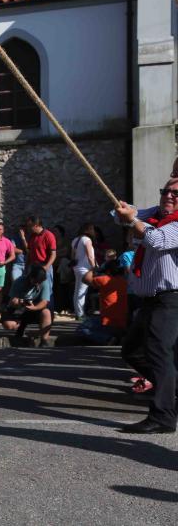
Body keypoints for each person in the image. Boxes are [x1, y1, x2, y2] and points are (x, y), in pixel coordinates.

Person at [116, 175, 178, 434]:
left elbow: (157, 240)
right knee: (132, 350)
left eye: (176, 194)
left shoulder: (174, 224)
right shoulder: (154, 213)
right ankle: (170, 391)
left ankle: (163, 416)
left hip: (170, 298)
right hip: (151, 299)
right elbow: (120, 213)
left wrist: (131, 219)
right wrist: (123, 211)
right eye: (166, 191)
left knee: (158, 353)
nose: (169, 196)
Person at [0, 265, 52, 347]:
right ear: (30, 277)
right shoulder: (19, 281)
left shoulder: (44, 282)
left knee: (47, 312)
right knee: (8, 325)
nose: (37, 283)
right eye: (35, 281)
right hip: (19, 309)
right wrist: (20, 303)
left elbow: (44, 301)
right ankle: (20, 328)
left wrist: (34, 308)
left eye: (39, 282)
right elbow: (12, 302)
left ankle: (44, 341)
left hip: (35, 309)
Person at [79, 260, 127, 346]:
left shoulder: (105, 279)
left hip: (107, 322)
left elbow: (85, 279)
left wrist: (93, 269)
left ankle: (107, 339)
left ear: (108, 271)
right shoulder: (126, 282)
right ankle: (120, 337)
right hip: (124, 323)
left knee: (82, 328)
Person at [25, 216, 57, 299]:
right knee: (32, 289)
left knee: (47, 290)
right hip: (33, 266)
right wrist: (27, 267)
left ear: (36, 225)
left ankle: (49, 309)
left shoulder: (48, 235)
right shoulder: (32, 236)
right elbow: (29, 253)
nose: (28, 228)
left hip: (44, 266)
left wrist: (46, 267)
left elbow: (53, 254)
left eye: (29, 226)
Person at [71, 223, 97, 321]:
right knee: (82, 291)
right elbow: (90, 255)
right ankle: (80, 314)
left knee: (77, 291)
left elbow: (72, 256)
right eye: (92, 229)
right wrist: (94, 267)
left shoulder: (75, 240)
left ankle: (78, 313)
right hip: (86, 269)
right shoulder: (87, 240)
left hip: (77, 268)